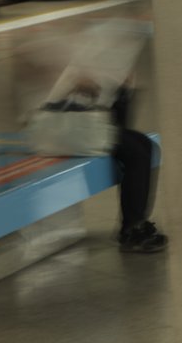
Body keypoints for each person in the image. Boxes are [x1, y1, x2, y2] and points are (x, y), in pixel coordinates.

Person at [44, 19, 164, 252]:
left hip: (87, 127)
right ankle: (130, 229)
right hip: (65, 129)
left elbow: (117, 123)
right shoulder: (82, 66)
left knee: (146, 146)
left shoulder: (112, 67)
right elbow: (71, 106)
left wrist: (124, 90)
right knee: (138, 151)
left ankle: (135, 223)